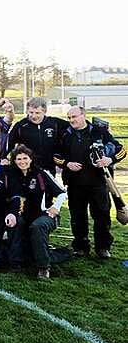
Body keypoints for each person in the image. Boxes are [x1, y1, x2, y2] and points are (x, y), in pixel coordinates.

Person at [54, 106, 125, 258]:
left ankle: (103, 247)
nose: (72, 120)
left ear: (83, 115)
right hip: (74, 184)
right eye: (69, 117)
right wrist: (67, 164)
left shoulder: (99, 131)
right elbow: (55, 155)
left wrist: (109, 160)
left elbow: (121, 149)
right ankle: (80, 247)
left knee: (102, 216)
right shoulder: (65, 135)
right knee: (77, 217)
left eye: (74, 116)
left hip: (99, 183)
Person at [7, 145, 69, 278]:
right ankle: (15, 263)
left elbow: (62, 193)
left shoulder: (41, 174)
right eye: (18, 159)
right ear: (14, 160)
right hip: (24, 215)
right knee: (14, 223)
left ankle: (43, 267)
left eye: (25, 158)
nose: (22, 161)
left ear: (31, 159)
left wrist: (55, 207)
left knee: (37, 226)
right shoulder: (12, 175)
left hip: (45, 215)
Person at [7, 97, 68, 175]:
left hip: (49, 169)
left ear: (44, 111)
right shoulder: (21, 126)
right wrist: (4, 158)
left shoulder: (55, 123)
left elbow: (76, 128)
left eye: (37, 113)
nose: (34, 116)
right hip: (27, 169)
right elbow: (9, 144)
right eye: (31, 112)